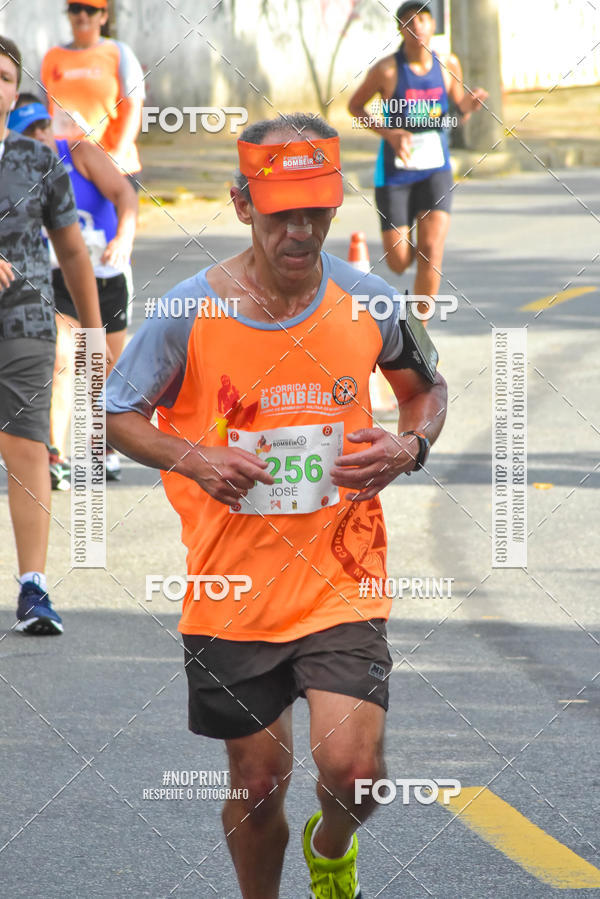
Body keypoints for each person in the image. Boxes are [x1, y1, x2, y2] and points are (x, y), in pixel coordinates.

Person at [105, 113, 447, 898]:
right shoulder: (190, 310)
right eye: (280, 211)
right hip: (232, 591)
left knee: (356, 773)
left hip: (342, 577)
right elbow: (119, 413)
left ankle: (331, 853)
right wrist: (194, 456)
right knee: (259, 785)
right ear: (240, 204)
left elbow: (426, 389)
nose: (300, 230)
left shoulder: (369, 299)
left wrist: (408, 445)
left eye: (316, 212)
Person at [0, 37, 105, 634]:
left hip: (26, 321)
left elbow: (70, 249)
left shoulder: (38, 161)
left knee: (25, 447)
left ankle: (33, 588)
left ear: (15, 91)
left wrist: (91, 333)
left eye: (5, 76)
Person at [8, 94, 138, 485]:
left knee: (105, 367)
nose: (41, 137)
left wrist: (124, 238)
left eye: (43, 126)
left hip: (106, 274)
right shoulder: (16, 173)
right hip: (57, 279)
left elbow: (125, 195)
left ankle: (107, 446)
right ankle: (55, 455)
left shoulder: (79, 151)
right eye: (29, 132)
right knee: (62, 357)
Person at [348, 1, 488, 295]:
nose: (417, 28)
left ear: (433, 26)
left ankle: (420, 331)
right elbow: (355, 106)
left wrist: (468, 107)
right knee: (398, 262)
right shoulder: (386, 70)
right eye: (409, 22)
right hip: (396, 172)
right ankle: (415, 253)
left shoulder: (447, 65)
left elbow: (454, 112)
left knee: (431, 249)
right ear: (400, 29)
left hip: (436, 170)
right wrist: (389, 133)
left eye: (423, 20)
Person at [41, 0, 145, 185]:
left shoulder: (119, 53)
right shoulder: (52, 57)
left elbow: (134, 108)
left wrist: (118, 157)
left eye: (90, 10)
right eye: (76, 9)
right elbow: (44, 111)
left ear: (103, 16)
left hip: (113, 166)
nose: (82, 15)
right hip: (65, 166)